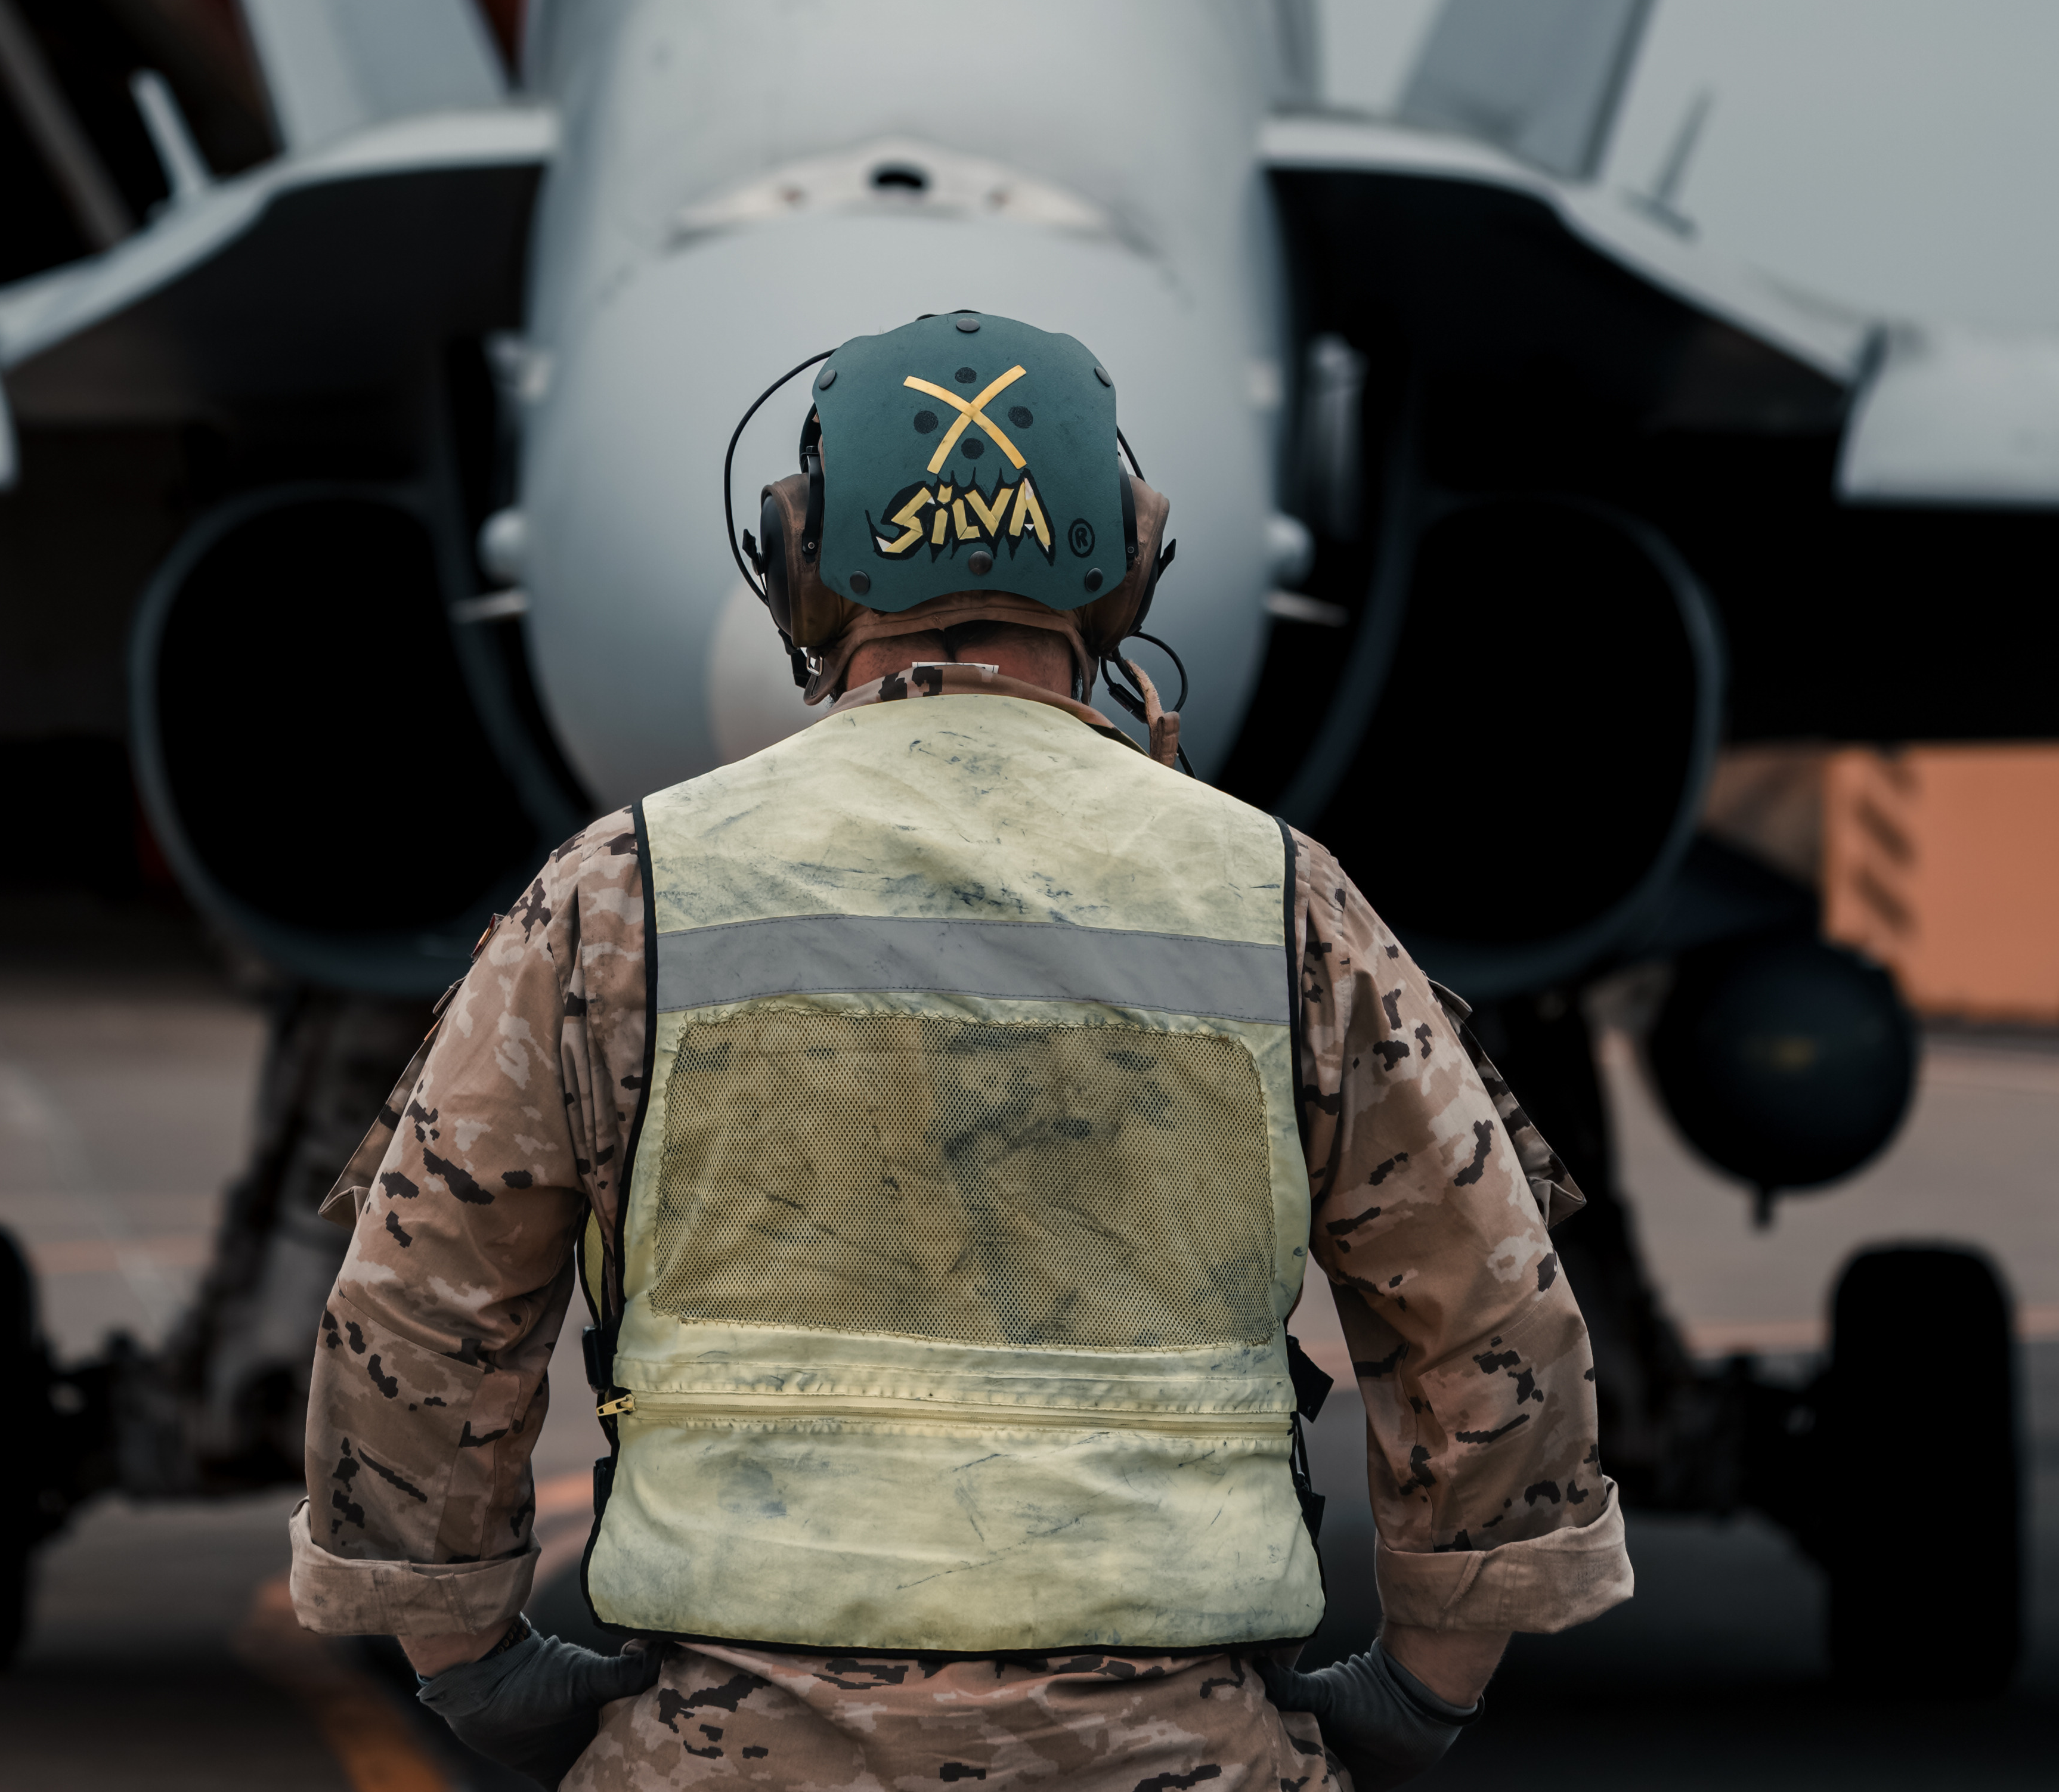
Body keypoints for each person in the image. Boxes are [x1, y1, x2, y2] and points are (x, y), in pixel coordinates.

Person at [289, 309, 1630, 1790]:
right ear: (1129, 566)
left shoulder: (624, 890)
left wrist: (471, 1658)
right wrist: (1426, 1677)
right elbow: (1491, 1308)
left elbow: (415, 1311)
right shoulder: (1282, 896)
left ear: (795, 557)